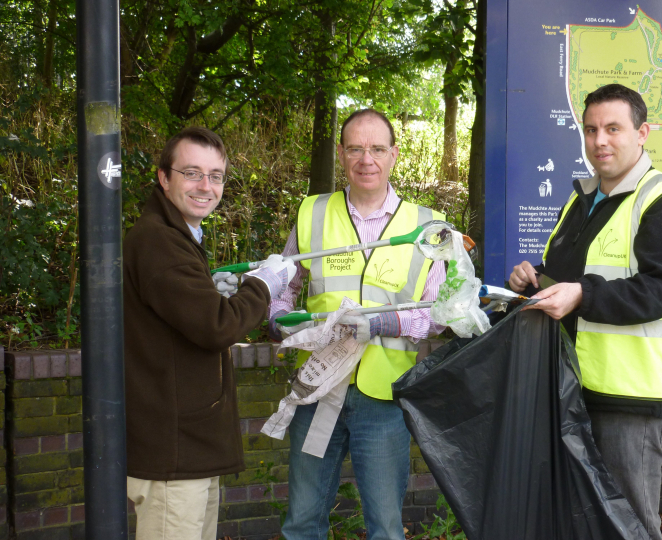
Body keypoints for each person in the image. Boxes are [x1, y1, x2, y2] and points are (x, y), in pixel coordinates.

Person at [509, 84, 662, 540]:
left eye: (613, 129)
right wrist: (533, 278)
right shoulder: (581, 201)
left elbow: (659, 291)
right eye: (591, 129)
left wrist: (580, 295)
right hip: (571, 388)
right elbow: (569, 276)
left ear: (642, 134)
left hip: (630, 401)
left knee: (629, 526)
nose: (600, 140)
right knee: (576, 521)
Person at [270, 109, 447, 540]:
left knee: (386, 528)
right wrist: (280, 323)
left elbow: (440, 313)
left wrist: (387, 322)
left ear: (394, 155)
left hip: (382, 399)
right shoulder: (311, 213)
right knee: (302, 523)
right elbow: (281, 289)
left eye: (377, 149)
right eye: (355, 148)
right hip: (317, 388)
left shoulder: (427, 226)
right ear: (342, 153)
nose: (366, 159)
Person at [123, 126, 296, 540]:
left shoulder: (177, 236)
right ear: (164, 178)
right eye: (192, 173)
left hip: (187, 447)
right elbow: (219, 327)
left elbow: (194, 318)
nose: (206, 186)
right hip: (173, 453)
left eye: (216, 175)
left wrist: (213, 289)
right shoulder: (160, 241)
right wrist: (263, 285)